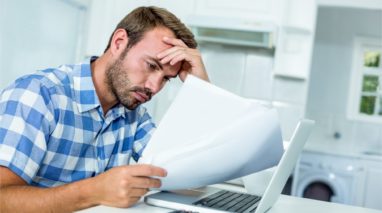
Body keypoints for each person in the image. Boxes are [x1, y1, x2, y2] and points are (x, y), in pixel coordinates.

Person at [0, 6, 209, 212]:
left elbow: (188, 177)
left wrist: (201, 88)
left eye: (166, 79)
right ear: (119, 43)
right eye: (151, 66)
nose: (154, 87)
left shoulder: (133, 113)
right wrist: (92, 191)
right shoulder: (39, 94)